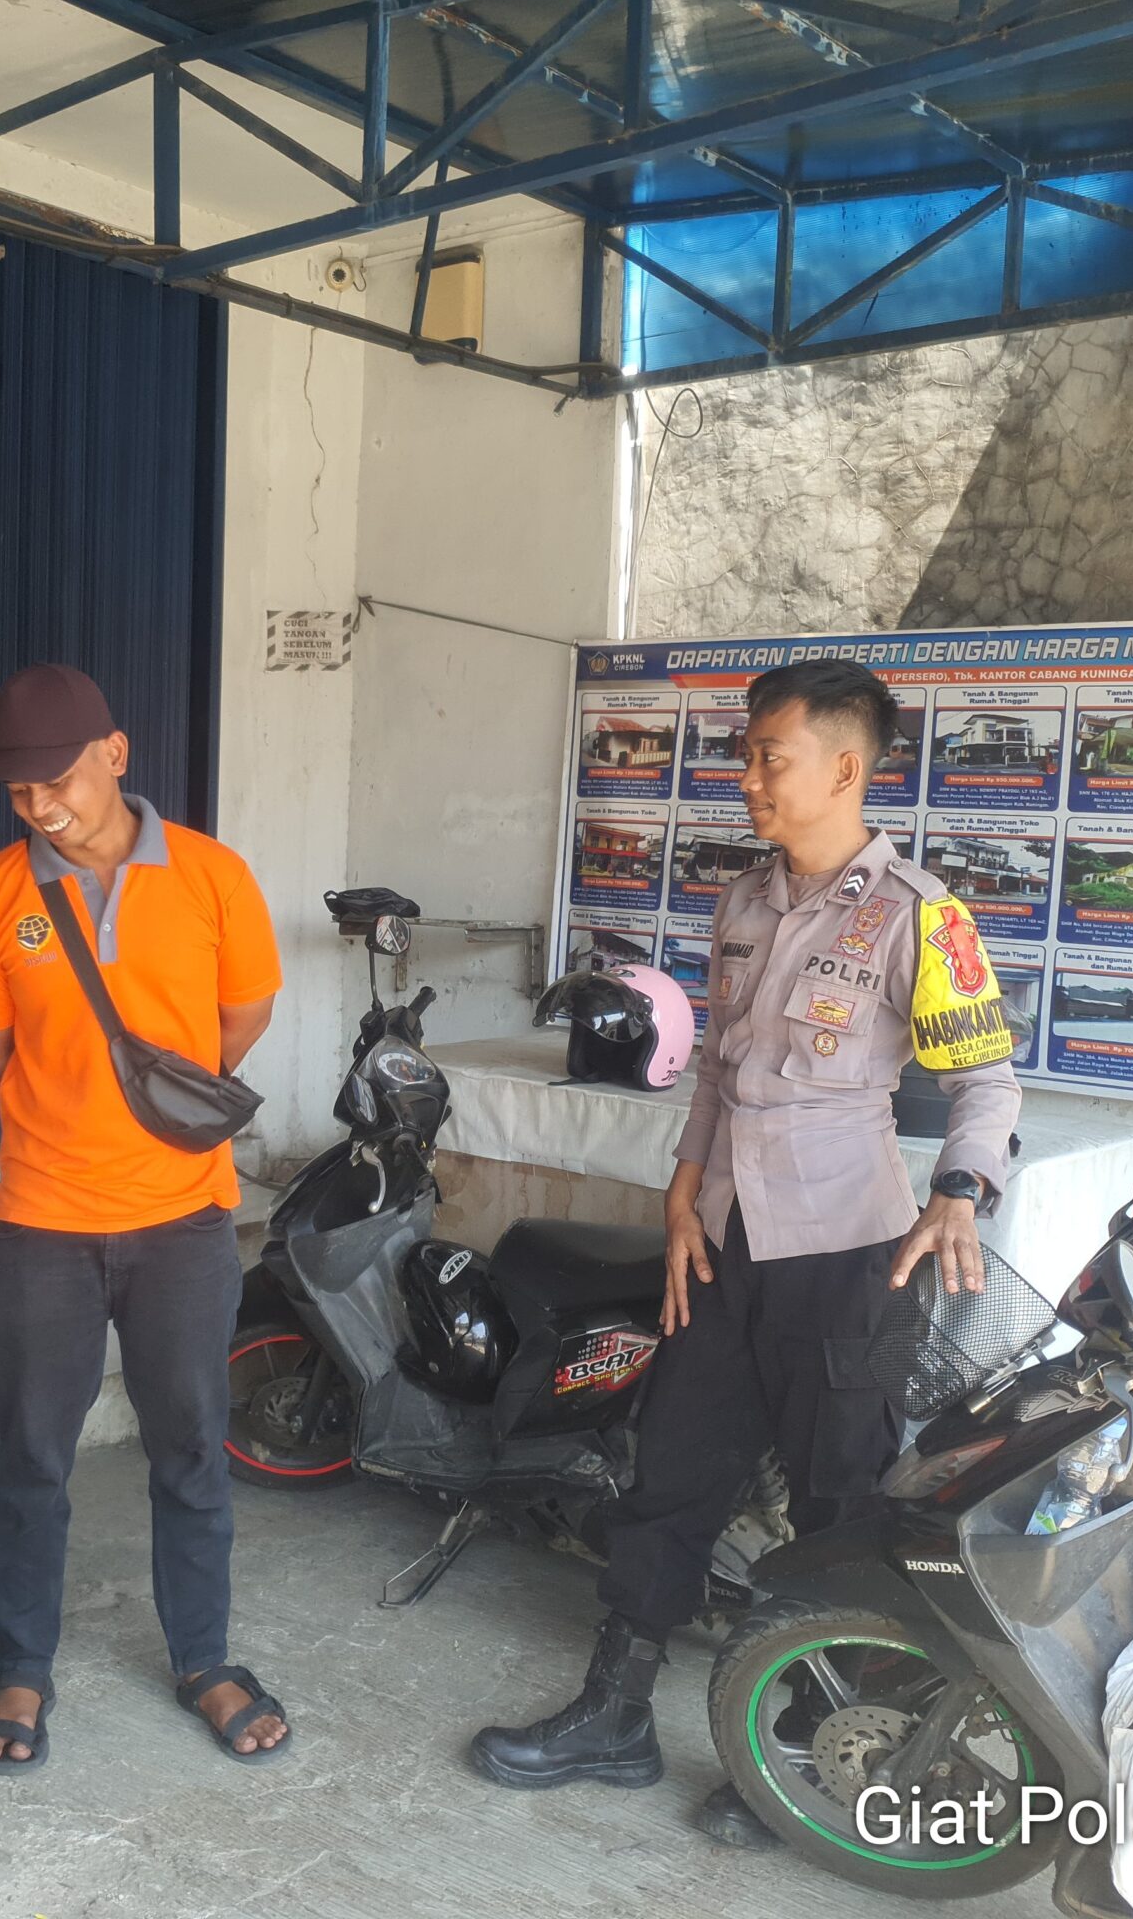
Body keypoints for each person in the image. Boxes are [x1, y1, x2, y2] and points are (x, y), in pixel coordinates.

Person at [471, 658, 1021, 1843]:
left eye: (771, 757)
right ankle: (614, 1715)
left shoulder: (919, 914)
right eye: (748, 756)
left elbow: (986, 1080)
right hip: (724, 1249)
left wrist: (959, 1191)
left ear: (845, 767)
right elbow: (717, 1077)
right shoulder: (742, 903)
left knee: (839, 1511)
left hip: (850, 1257)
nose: (750, 779)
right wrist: (681, 1196)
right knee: (670, 1478)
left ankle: (822, 1755)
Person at [0, 663, 290, 1774]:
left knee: (189, 1446)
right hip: (42, 1221)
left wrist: (150, 1108)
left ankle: (204, 1658)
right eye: (18, 789)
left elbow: (241, 1018)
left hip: (183, 1219)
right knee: (31, 1452)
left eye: (56, 779)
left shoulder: (212, 877)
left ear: (116, 754)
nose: (39, 805)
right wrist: (72, 1110)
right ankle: (20, 1664)